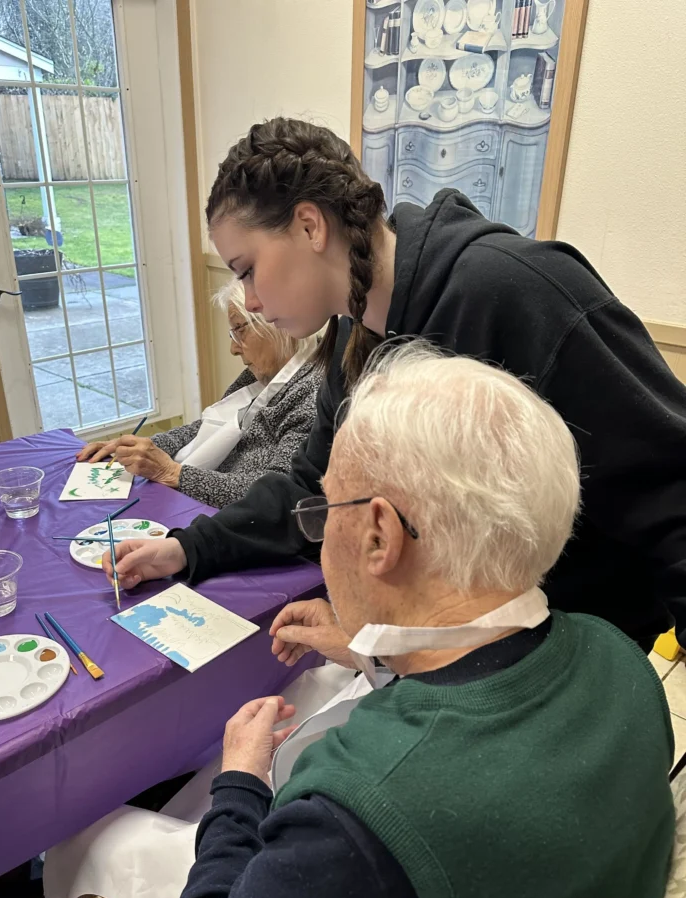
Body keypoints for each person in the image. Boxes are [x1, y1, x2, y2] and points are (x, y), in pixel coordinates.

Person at [51, 347, 674, 898]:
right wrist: (376, 652)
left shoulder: (351, 825)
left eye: (323, 510)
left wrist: (239, 787)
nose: (320, 536)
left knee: (89, 839)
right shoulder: (621, 660)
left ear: (379, 533)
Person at [103, 117, 686, 650]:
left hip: (567, 653)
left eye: (248, 270)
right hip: (449, 644)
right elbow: (313, 488)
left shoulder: (516, 291)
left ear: (309, 225)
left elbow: (669, 489)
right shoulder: (351, 339)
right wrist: (189, 548)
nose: (250, 300)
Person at [77, 279, 321, 508]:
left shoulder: (312, 395)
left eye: (239, 330)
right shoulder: (265, 372)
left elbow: (278, 493)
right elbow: (208, 426)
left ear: (277, 323)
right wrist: (138, 448)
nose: (234, 348)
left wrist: (171, 472)